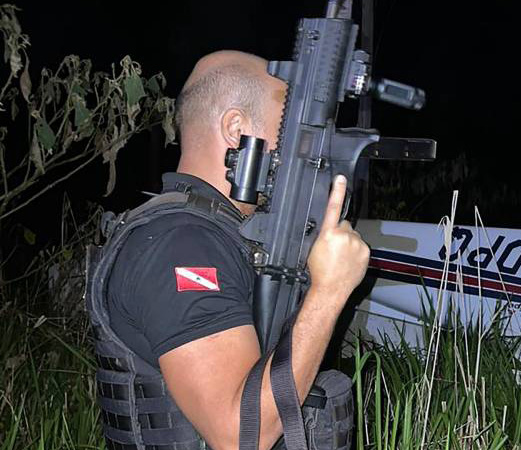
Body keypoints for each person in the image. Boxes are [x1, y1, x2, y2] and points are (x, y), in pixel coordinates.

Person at [93, 50, 370, 450]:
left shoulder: (217, 234)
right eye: (288, 134)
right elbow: (241, 435)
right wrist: (329, 292)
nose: (301, 153)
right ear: (236, 129)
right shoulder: (183, 245)